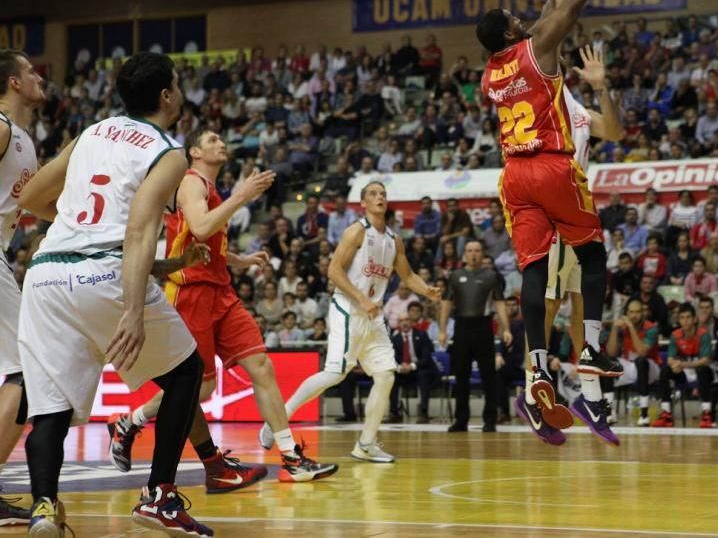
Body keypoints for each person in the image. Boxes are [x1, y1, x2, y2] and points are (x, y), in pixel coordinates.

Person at [16, 53, 213, 535]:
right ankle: (158, 496)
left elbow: (30, 198)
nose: (182, 90)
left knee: (50, 407)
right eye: (178, 83)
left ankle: (43, 508)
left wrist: (77, 229)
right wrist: (132, 310)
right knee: (187, 372)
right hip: (105, 272)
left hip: (45, 274)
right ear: (167, 96)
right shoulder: (167, 151)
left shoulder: (93, 131)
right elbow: (141, 231)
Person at [106, 127, 335, 488]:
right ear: (195, 151)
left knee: (261, 365)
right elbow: (198, 227)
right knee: (199, 390)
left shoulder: (212, 190)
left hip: (221, 292)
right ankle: (130, 421)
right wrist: (242, 195)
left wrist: (239, 260)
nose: (222, 143)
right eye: (213, 140)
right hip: (190, 293)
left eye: (221, 138)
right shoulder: (190, 182)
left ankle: (291, 458)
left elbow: (212, 243)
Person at [476, 0, 623, 442]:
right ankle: (589, 346)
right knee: (593, 254)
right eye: (518, 21)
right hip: (553, 168)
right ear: (516, 33)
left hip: (512, 178)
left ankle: (537, 367)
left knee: (533, 273)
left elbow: (550, 10)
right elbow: (574, 0)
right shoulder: (538, 50)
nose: (526, 19)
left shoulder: (491, 75)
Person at [261, 182, 441, 463]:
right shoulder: (357, 230)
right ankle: (278, 418)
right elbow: (333, 271)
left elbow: (407, 277)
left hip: (372, 314)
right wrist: (361, 298)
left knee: (385, 376)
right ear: (363, 203)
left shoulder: (395, 240)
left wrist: (426, 290)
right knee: (335, 373)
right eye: (373, 194)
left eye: (383, 194)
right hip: (347, 308)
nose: (380, 197)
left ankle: (366, 444)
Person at [541, 41, 624, 444]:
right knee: (550, 302)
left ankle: (589, 398)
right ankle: (534, 389)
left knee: (578, 306)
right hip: (551, 214)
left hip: (577, 210)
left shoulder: (576, 110)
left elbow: (616, 131)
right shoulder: (542, 106)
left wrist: (602, 87)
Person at [0, 51, 44, 527]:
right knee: (24, 374)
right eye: (30, 70)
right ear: (13, 81)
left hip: (3, 253)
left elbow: (36, 204)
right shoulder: (1, 128)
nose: (38, 75)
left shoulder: (26, 139)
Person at [439, 240, 510, 432]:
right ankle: (461, 420)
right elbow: (446, 303)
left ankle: (490, 420)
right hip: (461, 327)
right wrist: (443, 329)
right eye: (470, 251)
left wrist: (506, 328)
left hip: (483, 327)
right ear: (464, 254)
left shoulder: (491, 276)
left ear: (483, 253)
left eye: (477, 250)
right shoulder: (455, 275)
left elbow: (500, 303)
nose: (473, 254)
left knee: (489, 376)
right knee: (461, 376)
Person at [652, 304, 715, 429]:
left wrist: (684, 364)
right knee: (665, 370)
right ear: (678, 319)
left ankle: (707, 413)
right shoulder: (675, 335)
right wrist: (674, 365)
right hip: (683, 372)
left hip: (700, 372)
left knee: (703, 369)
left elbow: (706, 360)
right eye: (682, 318)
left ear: (694, 319)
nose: (685, 321)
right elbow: (670, 358)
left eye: (688, 317)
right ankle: (666, 413)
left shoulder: (703, 334)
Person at [604, 299, 661, 427]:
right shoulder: (622, 328)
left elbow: (642, 352)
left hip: (651, 367)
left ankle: (644, 414)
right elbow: (611, 352)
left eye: (638, 312)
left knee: (641, 361)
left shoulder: (651, 328)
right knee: (607, 361)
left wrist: (630, 327)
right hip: (630, 366)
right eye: (631, 312)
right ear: (626, 313)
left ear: (643, 313)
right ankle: (609, 412)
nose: (634, 315)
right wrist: (614, 328)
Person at [388, 311, 438, 424]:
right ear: (398, 324)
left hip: (420, 369)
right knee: (391, 377)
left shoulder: (422, 335)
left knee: (423, 375)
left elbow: (426, 358)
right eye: (401, 321)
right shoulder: (394, 339)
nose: (404, 323)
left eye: (406, 320)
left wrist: (411, 366)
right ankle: (394, 413)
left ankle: (424, 413)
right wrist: (400, 367)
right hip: (403, 371)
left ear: (411, 322)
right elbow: (392, 359)